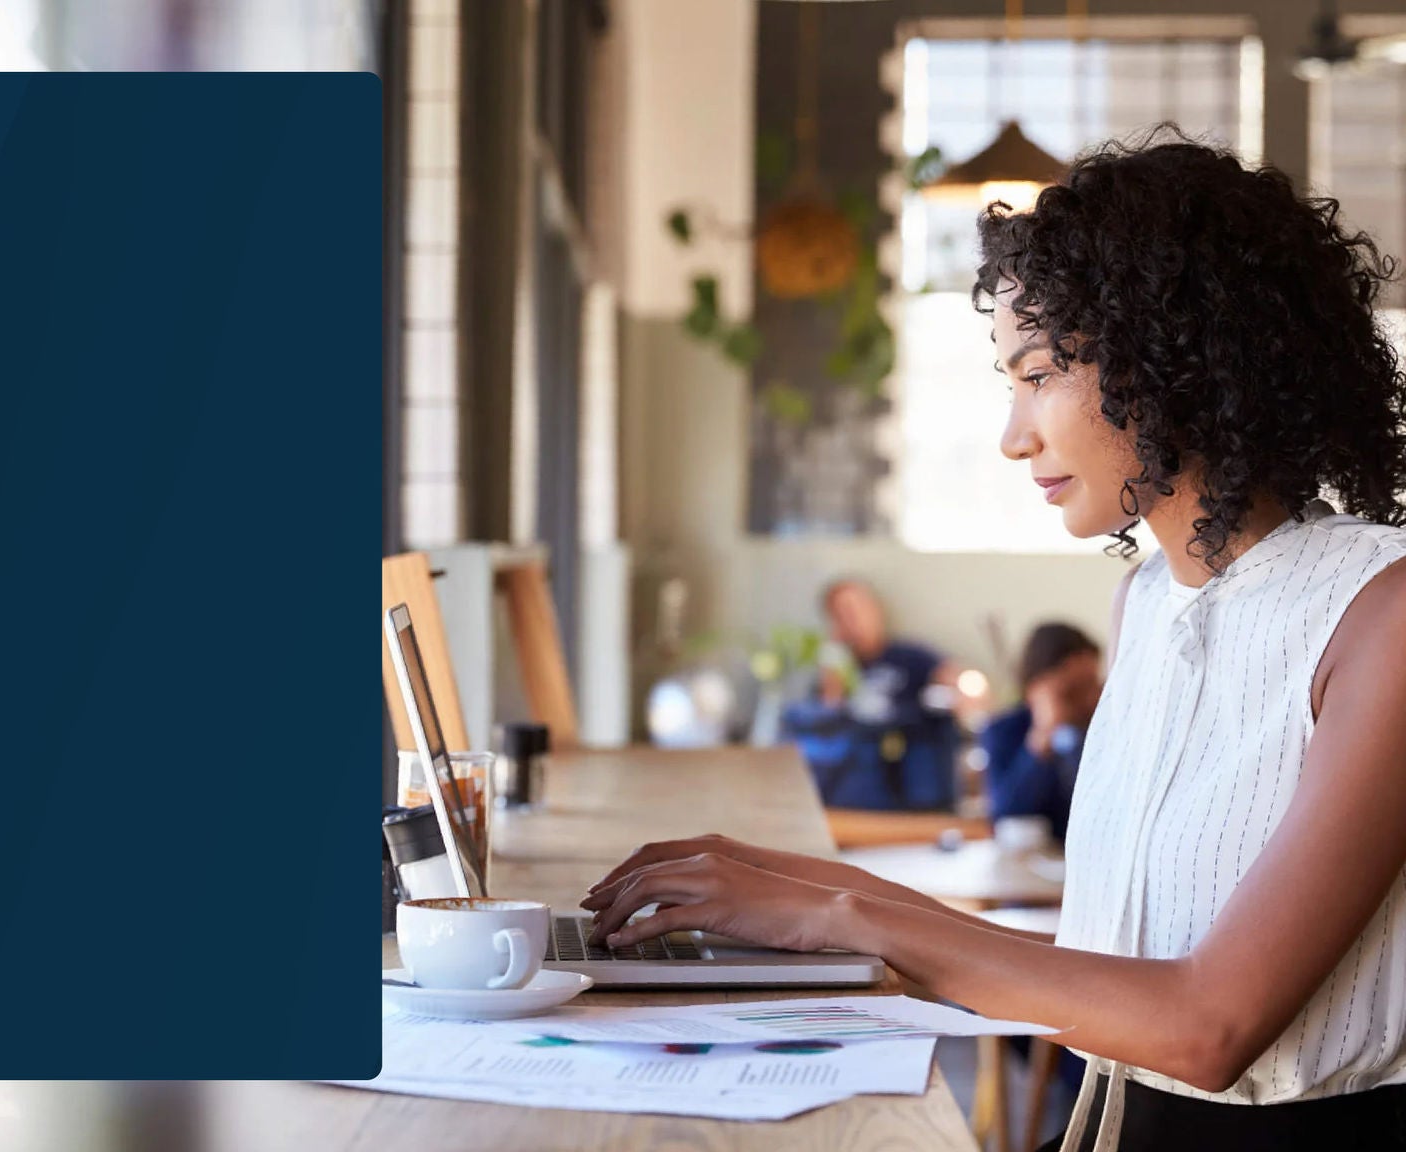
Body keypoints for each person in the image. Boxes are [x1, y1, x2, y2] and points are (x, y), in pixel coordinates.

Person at [579, 134, 1406, 1151]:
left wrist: (843, 915)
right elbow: (1105, 962)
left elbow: (1203, 1025)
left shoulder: (1379, 612)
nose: (1014, 436)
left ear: (1177, 357)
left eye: (1039, 374)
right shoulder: (1147, 601)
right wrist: (775, 880)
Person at [783, 579, 970, 810]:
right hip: (859, 789)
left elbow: (957, 684)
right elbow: (826, 727)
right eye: (841, 613)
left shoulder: (911, 657)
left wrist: (959, 688)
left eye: (857, 608)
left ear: (876, 609)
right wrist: (832, 674)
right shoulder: (836, 669)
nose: (853, 619)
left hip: (916, 780)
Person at [981, 622, 1104, 844]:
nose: (1092, 698)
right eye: (1075, 690)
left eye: (1094, 685)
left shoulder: (1105, 729)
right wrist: (1044, 733)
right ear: (1037, 689)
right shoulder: (1004, 730)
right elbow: (1007, 813)